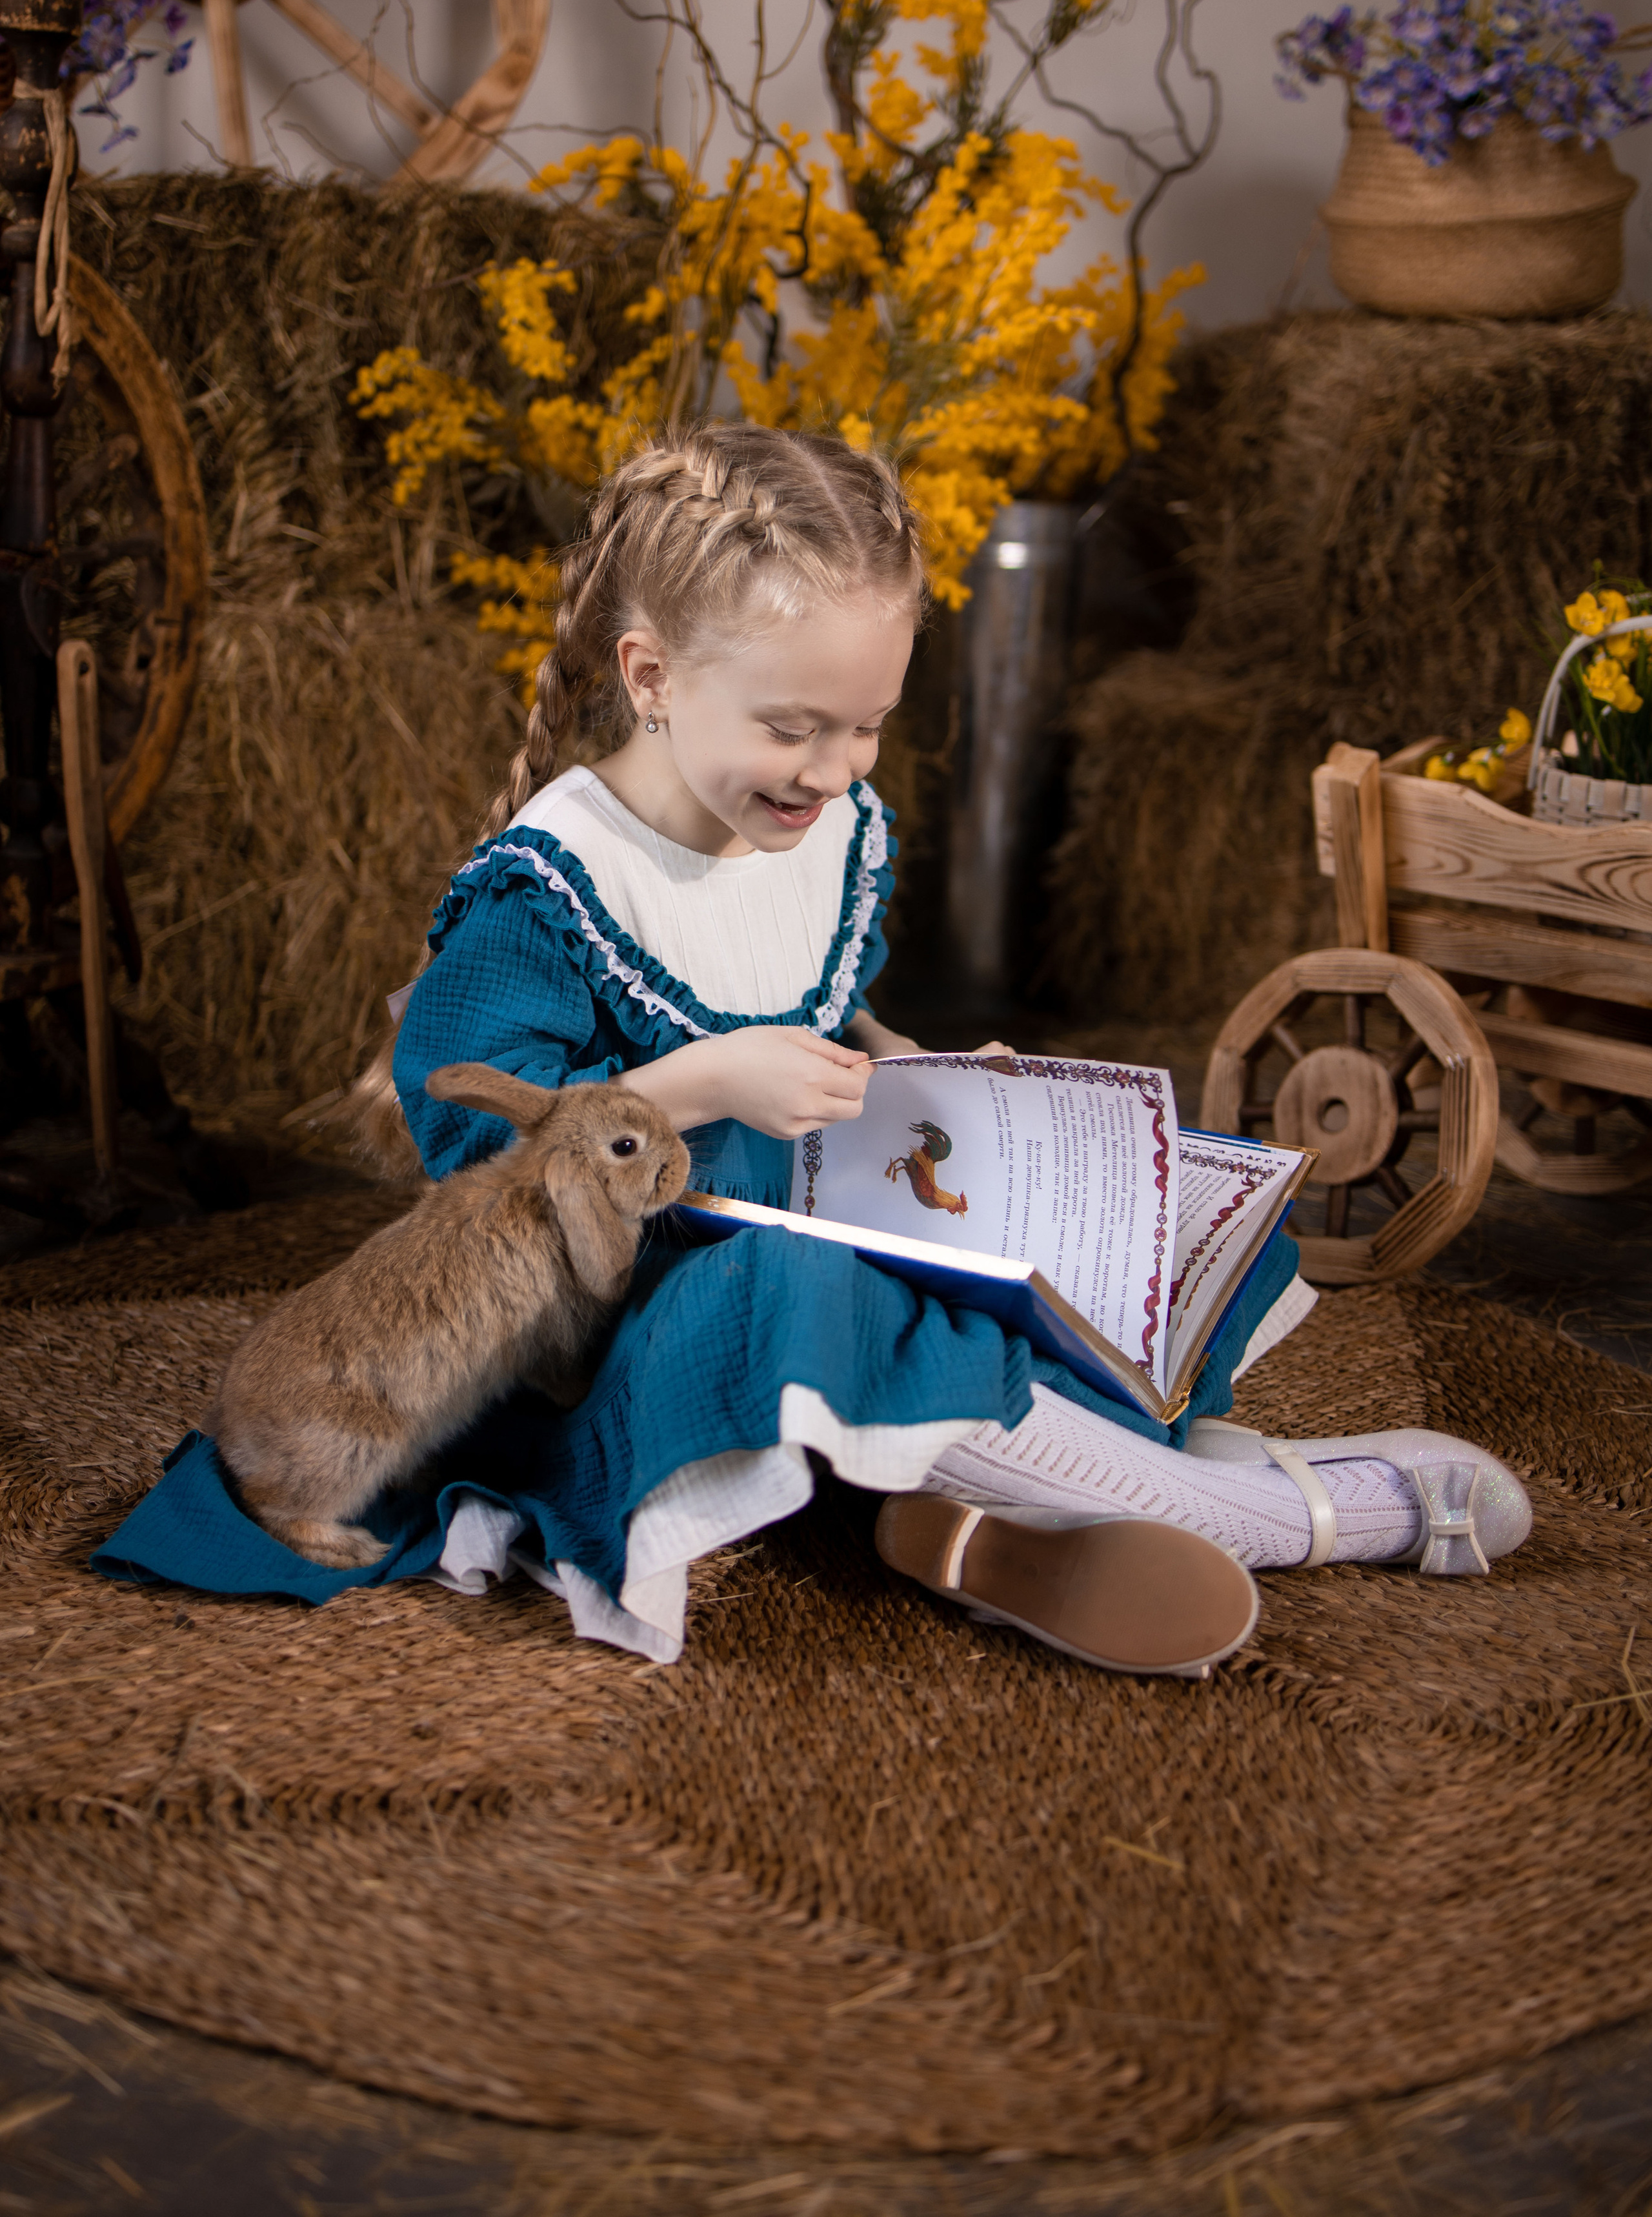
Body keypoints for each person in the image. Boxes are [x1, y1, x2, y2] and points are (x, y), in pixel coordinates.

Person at [95, 425, 1530, 1668]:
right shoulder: (550, 894)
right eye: (793, 727)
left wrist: (917, 1070)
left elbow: (821, 1003)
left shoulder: (820, 822)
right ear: (651, 676)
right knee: (792, 1299)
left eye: (868, 728)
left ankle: (990, 1506)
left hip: (832, 1188)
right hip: (631, 1292)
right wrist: (705, 1084)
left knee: (1130, 1211)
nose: (834, 771)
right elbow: (481, 1160)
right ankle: (1276, 1512)